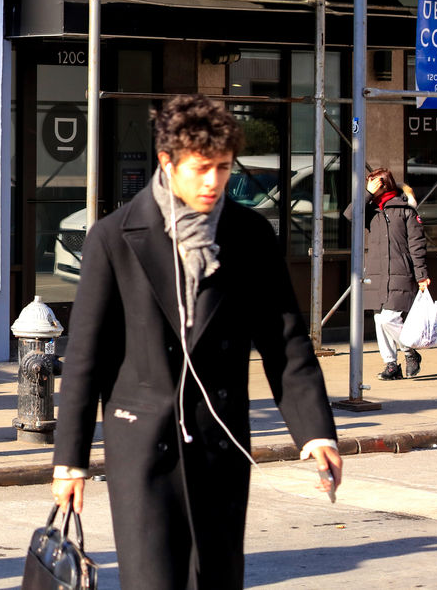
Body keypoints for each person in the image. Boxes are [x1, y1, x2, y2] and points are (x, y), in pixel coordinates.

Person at [52, 94, 341, 590]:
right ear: (167, 162)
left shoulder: (250, 235)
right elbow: (85, 357)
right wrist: (70, 460)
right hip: (143, 444)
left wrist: (315, 432)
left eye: (224, 168)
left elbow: (285, 340)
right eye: (202, 168)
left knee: (216, 576)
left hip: (220, 442)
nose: (214, 182)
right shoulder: (115, 237)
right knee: (153, 579)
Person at [359, 166, 430, 379]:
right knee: (379, 318)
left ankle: (409, 351)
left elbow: (417, 245)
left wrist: (422, 275)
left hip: (400, 272)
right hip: (377, 273)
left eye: (373, 183)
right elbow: (349, 215)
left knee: (388, 318)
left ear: (384, 184)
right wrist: (368, 194)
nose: (369, 185)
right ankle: (391, 365)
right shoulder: (371, 210)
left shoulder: (405, 211)